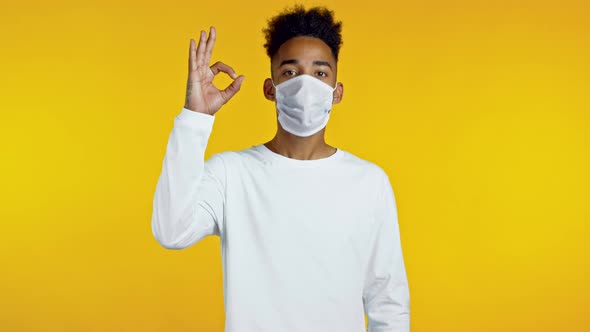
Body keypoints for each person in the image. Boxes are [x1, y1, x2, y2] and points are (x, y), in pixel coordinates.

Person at [151, 4, 410, 332]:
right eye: (290, 72)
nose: (306, 85)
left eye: (320, 73)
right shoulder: (233, 174)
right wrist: (195, 117)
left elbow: (387, 298)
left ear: (337, 91)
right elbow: (171, 230)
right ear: (270, 89)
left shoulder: (369, 182)